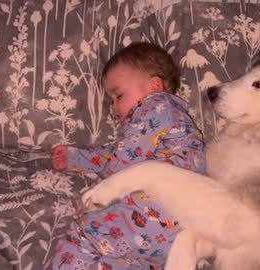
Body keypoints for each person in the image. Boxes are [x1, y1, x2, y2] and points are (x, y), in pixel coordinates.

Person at [47, 42, 205, 270]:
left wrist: (98, 196)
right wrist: (75, 158)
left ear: (155, 86)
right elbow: (119, 154)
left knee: (85, 231)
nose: (113, 108)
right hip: (178, 232)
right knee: (120, 260)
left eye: (118, 95)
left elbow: (122, 162)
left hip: (159, 212)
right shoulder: (168, 125)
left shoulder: (156, 106)